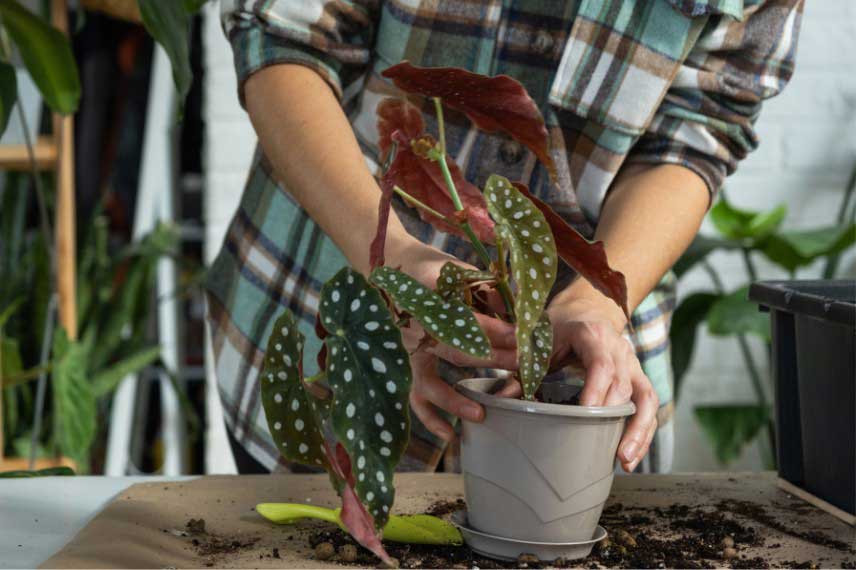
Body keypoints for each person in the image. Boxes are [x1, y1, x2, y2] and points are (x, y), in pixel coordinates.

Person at [206, 0, 803, 475]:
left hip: (575, 386)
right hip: (326, 304)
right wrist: (393, 257)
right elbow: (282, 37)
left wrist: (594, 303)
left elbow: (701, 129)